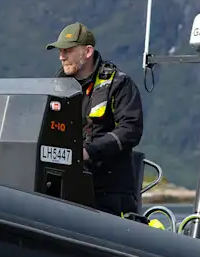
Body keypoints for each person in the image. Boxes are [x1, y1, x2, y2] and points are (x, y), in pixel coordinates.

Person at [47, 22, 143, 216]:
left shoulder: (119, 84)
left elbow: (130, 130)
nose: (61, 56)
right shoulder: (56, 87)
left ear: (87, 51)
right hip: (69, 185)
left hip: (110, 191)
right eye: (60, 51)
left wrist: (89, 151)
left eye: (68, 50)